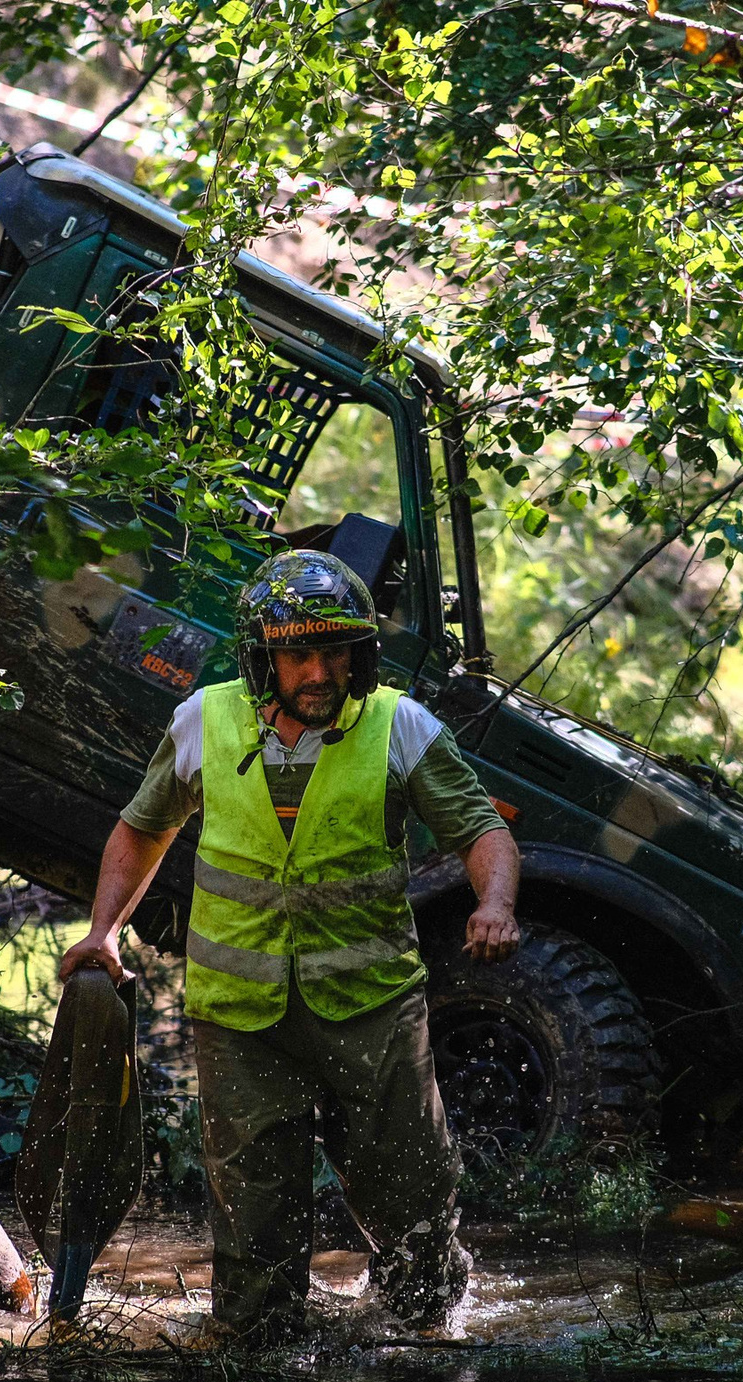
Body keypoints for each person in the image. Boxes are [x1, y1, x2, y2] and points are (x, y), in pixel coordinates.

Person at [56, 550, 520, 1338]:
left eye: (334, 650)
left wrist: (496, 903)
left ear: (358, 653)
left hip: (373, 1010)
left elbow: (483, 831)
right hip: (240, 1018)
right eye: (298, 653)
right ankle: (261, 1374)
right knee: (256, 1215)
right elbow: (142, 828)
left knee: (412, 1201)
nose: (317, 670)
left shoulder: (401, 726)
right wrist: (102, 931)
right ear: (262, 657)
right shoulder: (203, 720)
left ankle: (429, 1341)